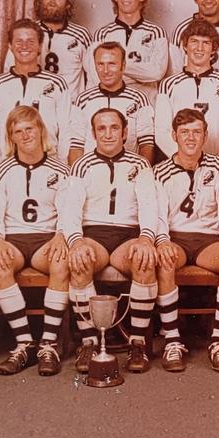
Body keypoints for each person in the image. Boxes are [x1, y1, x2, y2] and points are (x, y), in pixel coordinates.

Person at [60, 108, 160, 373]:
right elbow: (70, 210)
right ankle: (90, 342)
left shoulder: (140, 164)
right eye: (101, 128)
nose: (108, 134)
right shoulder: (81, 165)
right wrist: (76, 242)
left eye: (114, 128)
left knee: (145, 261)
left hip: (128, 233)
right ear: (93, 134)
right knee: (79, 263)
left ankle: (137, 343)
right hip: (94, 234)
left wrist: (147, 238)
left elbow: (149, 205)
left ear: (125, 132)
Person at [153, 109, 219, 373]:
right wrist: (162, 242)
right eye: (184, 132)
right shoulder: (159, 171)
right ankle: (172, 340)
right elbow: (158, 215)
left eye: (196, 132)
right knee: (165, 260)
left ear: (205, 135)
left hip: (208, 239)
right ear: (174, 136)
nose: (191, 138)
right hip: (176, 238)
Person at [0, 106, 72, 376]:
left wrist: (61, 234)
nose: (25, 135)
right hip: (12, 238)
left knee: (61, 262)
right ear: (11, 137)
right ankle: (24, 343)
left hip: (46, 239)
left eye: (30, 129)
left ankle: (48, 344)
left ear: (41, 131)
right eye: (18, 131)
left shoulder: (61, 169)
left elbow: (68, 209)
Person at [0, 19, 71, 164]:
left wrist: (62, 164)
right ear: (10, 46)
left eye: (30, 41)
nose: (24, 46)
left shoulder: (57, 83)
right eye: (19, 41)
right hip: (7, 164)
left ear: (40, 46)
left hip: (49, 163)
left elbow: (66, 129)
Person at [154, 18, 219, 161]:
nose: (199, 48)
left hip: (218, 163)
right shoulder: (168, 84)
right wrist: (181, 160)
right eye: (194, 41)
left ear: (213, 49)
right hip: (179, 164)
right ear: (184, 46)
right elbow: (162, 132)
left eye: (206, 43)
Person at [4, 0, 91, 101]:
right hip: (34, 107)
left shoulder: (81, 35)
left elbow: (93, 77)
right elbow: (10, 70)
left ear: (68, 4)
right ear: (41, 0)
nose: (52, 0)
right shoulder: (27, 33)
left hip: (69, 107)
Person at [68, 42, 154, 165]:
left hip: (127, 174)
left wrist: (140, 174)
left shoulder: (138, 99)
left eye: (112, 64)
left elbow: (147, 144)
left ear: (123, 66)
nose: (106, 71)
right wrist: (77, 178)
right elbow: (76, 145)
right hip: (92, 174)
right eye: (100, 64)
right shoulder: (83, 100)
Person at [87, 0, 168, 100]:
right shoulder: (102, 34)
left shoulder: (156, 32)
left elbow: (156, 72)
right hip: (111, 105)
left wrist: (116, 67)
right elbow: (96, 76)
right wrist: (140, 74)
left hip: (146, 104)